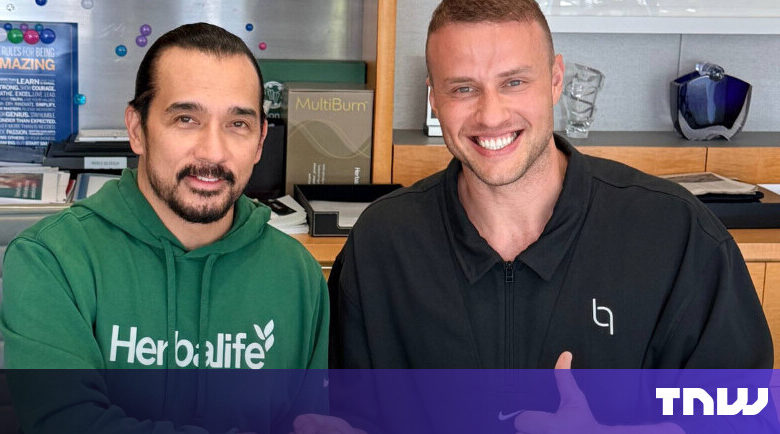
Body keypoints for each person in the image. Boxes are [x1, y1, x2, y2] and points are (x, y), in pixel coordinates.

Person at [329, 0, 772, 369]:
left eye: (514, 82)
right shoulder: (381, 244)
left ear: (556, 80)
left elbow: (739, 411)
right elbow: (346, 412)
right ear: (434, 99)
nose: (491, 115)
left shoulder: (676, 235)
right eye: (463, 89)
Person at [0, 23, 328, 433]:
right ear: (137, 129)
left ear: (261, 139)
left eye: (237, 124)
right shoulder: (51, 259)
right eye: (186, 118)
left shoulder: (297, 274)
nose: (213, 151)